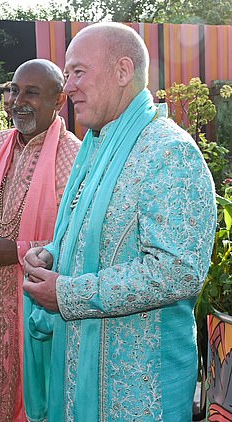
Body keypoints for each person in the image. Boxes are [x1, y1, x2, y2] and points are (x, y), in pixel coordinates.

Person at [23, 22, 217, 421]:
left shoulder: (169, 152)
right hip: (82, 377)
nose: (69, 87)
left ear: (123, 71)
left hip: (139, 393)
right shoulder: (97, 147)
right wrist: (51, 255)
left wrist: (70, 294)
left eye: (78, 72)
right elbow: (91, 235)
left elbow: (179, 270)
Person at [0, 59, 81, 422]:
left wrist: (16, 251)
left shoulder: (73, 154)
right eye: (14, 90)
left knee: (39, 391)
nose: (18, 101)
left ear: (59, 100)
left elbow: (75, 238)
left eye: (32, 92)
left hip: (38, 301)